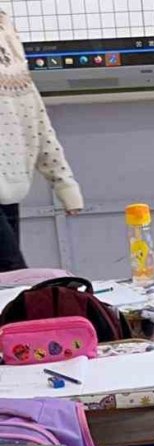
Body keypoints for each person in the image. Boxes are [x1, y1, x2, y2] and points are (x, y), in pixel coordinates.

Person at [0, 10, 83, 272]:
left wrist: (63, 181)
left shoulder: (5, 27)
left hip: (10, 189)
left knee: (9, 281)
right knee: (13, 278)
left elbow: (33, 112)